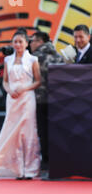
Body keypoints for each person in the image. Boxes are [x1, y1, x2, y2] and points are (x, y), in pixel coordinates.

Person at [0, 31, 41, 179]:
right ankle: (17, 169)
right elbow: (4, 81)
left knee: (28, 132)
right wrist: (9, 90)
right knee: (12, 132)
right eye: (15, 42)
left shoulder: (33, 59)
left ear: (26, 43)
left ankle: (30, 169)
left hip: (27, 98)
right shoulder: (8, 60)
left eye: (20, 42)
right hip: (12, 99)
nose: (17, 45)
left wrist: (25, 88)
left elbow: (38, 81)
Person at [29, 31, 64, 172]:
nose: (30, 44)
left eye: (33, 41)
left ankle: (45, 161)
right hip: (58, 101)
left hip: (40, 99)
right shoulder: (59, 57)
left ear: (40, 42)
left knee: (42, 132)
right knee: (56, 132)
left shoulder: (34, 58)